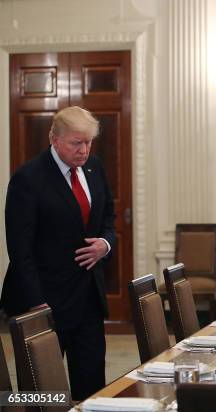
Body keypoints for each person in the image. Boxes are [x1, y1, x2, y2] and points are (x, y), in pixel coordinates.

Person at [1, 107, 115, 400]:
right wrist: (36, 303)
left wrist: (105, 244)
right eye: (76, 143)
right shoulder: (29, 178)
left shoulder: (94, 168)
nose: (84, 150)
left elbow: (107, 221)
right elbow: (19, 248)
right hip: (44, 302)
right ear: (54, 138)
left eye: (88, 142)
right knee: (43, 392)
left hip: (88, 296)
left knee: (91, 389)